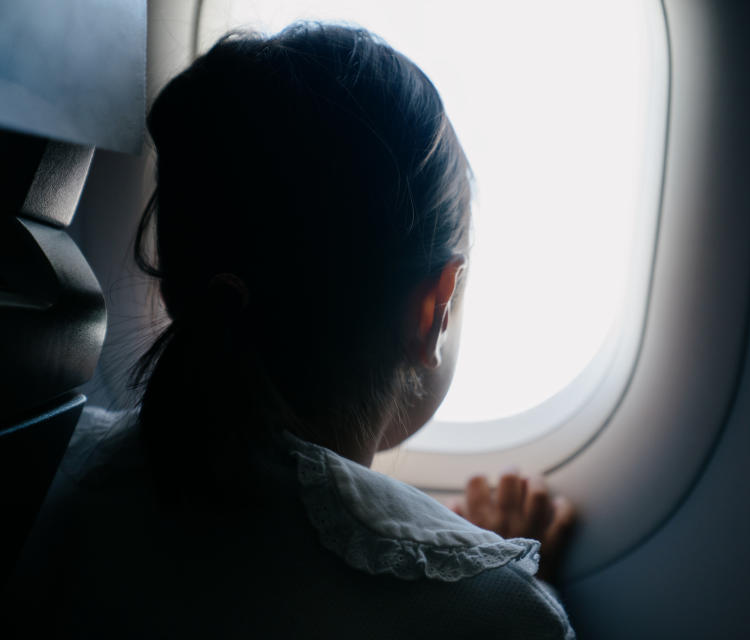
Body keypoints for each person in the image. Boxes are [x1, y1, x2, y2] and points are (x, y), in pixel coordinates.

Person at [6, 22, 576, 638]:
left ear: (178, 283)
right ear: (433, 308)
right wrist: (499, 576)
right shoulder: (499, 617)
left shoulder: (41, 471)